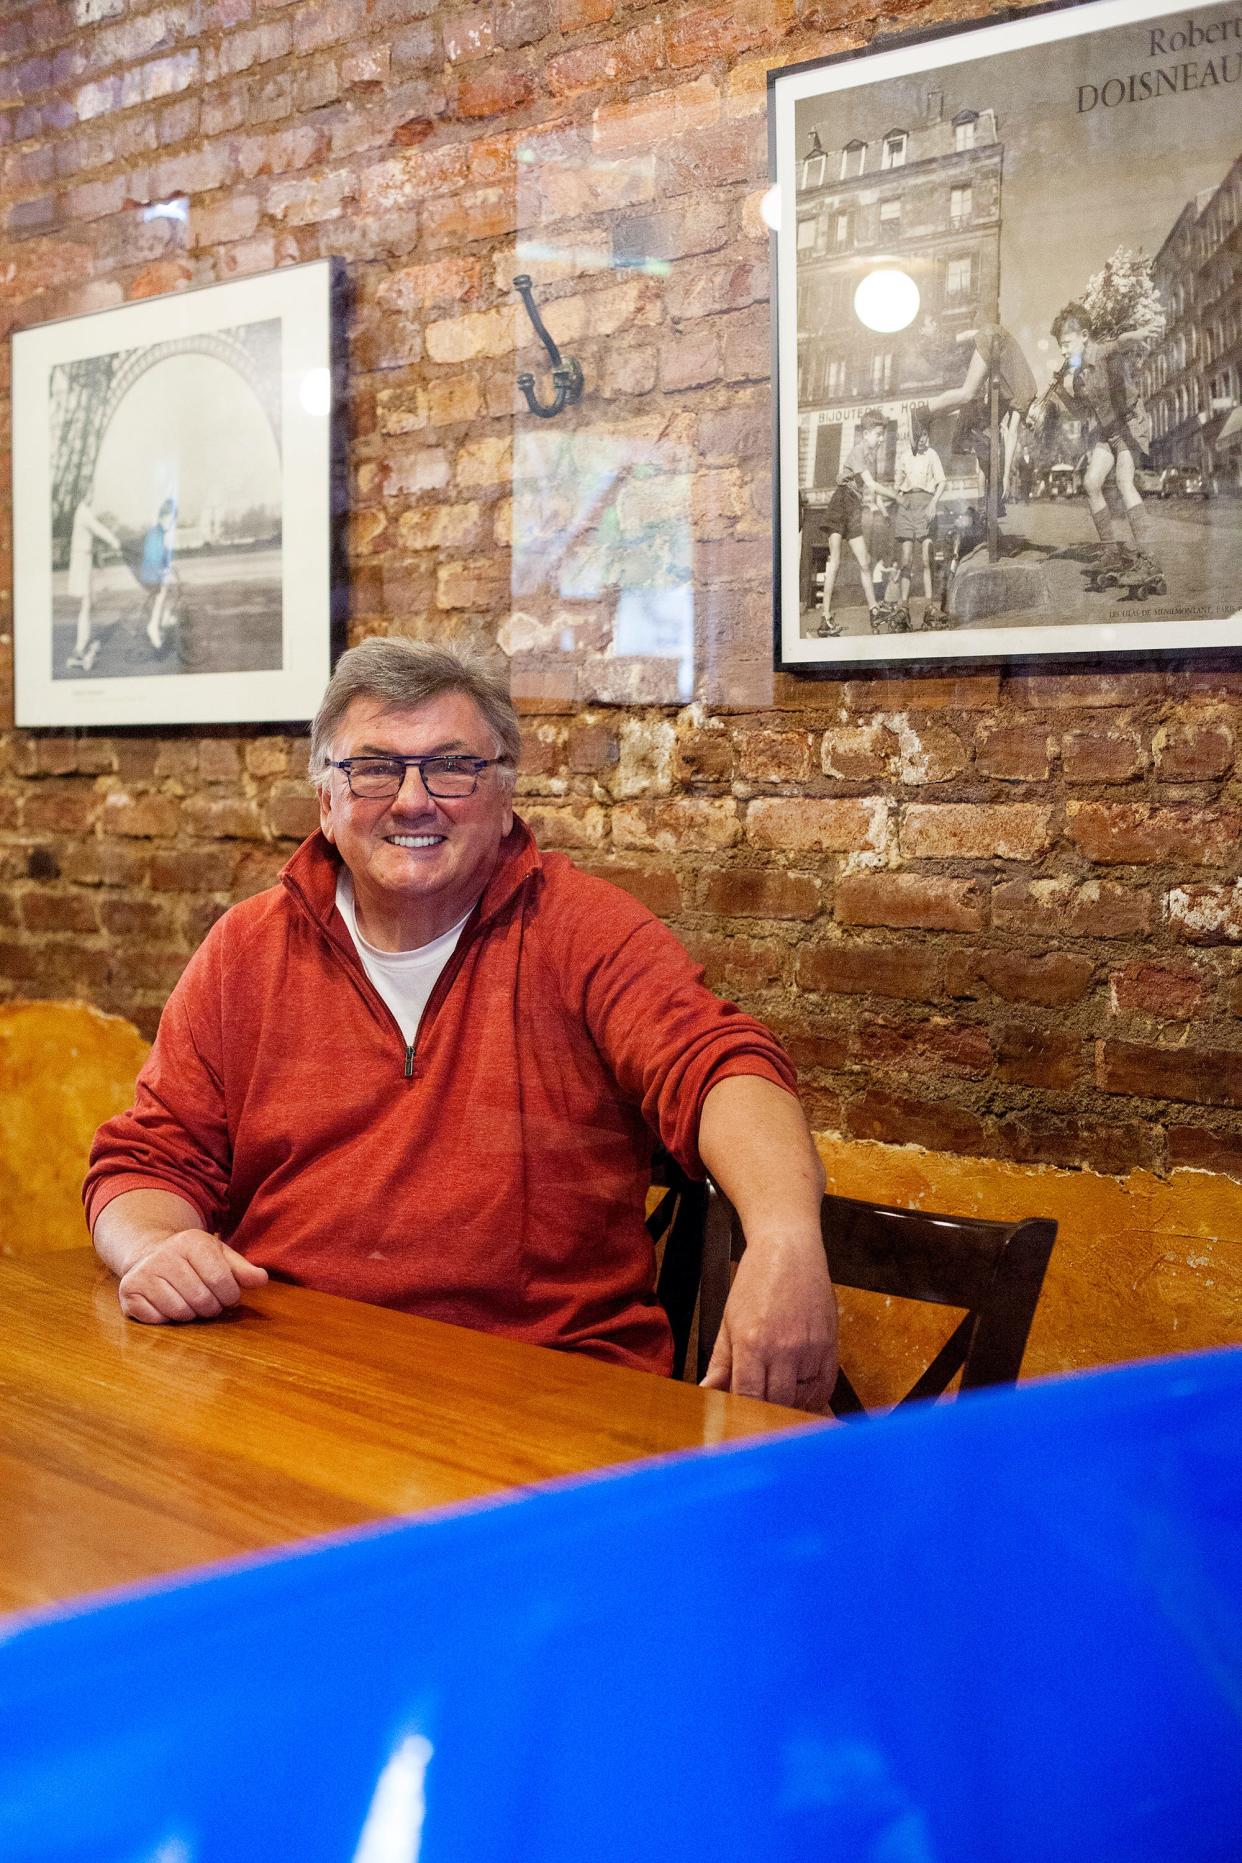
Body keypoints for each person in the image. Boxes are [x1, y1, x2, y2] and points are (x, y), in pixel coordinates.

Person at [85, 640, 839, 1411]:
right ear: (326, 801)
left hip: (544, 1406)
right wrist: (155, 1246)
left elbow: (721, 1068)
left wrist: (783, 1235)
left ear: (506, 792)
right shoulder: (247, 950)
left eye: (451, 766)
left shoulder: (582, 931)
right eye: (374, 767)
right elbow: (148, 1159)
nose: (413, 800)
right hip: (288, 1386)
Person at [1039, 302, 1160, 581]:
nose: (1063, 350)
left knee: (1123, 481)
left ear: (1084, 335)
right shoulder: (1079, 375)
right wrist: (1062, 392)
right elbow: (1083, 413)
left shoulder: (1103, 352)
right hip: (1107, 432)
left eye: (1066, 343)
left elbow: (1121, 342)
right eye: (1060, 345)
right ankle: (1111, 554)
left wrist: (1140, 333)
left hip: (1130, 424)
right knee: (1091, 483)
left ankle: (1150, 562)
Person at [913, 322, 1037, 510]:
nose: (1031, 424)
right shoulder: (1026, 397)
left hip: (993, 338)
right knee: (967, 394)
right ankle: (921, 414)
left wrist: (956, 339)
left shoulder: (1025, 393)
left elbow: (983, 333)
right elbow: (1012, 435)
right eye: (1035, 423)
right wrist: (1005, 476)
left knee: (980, 427)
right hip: (994, 342)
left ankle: (990, 497)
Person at [815, 409, 897, 638]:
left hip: (854, 508)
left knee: (865, 561)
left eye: (883, 435)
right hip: (840, 504)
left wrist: (884, 512)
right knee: (836, 561)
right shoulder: (858, 451)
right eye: (879, 434)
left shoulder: (871, 460)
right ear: (868, 433)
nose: (882, 440)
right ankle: (826, 618)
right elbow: (871, 485)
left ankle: (874, 610)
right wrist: (898, 497)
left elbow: (874, 492)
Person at [893, 428, 945, 621]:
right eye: (917, 436)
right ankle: (903, 607)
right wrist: (899, 499)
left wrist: (933, 503)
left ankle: (929, 606)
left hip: (926, 504)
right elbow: (897, 486)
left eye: (924, 434)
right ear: (910, 437)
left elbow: (941, 482)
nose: (921, 439)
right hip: (907, 506)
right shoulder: (905, 456)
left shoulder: (932, 455)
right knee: (906, 560)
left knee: (926, 558)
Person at [65, 492, 121, 673]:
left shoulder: (83, 511)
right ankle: (79, 650)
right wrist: (113, 540)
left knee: (89, 604)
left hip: (84, 559)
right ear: (84, 495)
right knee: (86, 604)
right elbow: (97, 528)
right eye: (90, 493)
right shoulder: (83, 512)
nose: (93, 496)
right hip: (81, 560)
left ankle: (82, 644)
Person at [138, 497, 177, 653]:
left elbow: (164, 554)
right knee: (161, 592)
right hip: (149, 573)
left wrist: (168, 566)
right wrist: (163, 571)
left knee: (169, 589)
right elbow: (153, 558)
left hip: (152, 571)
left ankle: (165, 617)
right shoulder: (156, 534)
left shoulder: (160, 532)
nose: (172, 523)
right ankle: (153, 626)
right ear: (164, 516)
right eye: (171, 519)